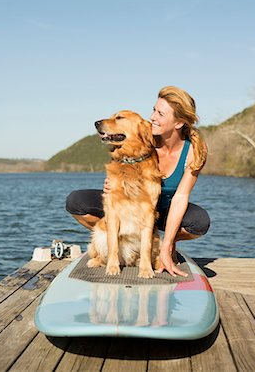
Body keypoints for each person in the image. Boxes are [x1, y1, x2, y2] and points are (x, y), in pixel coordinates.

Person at [66, 85, 210, 277]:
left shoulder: (194, 151)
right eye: (153, 110)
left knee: (199, 222)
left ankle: (160, 243)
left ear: (178, 123)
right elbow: (121, 154)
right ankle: (115, 244)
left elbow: (181, 197)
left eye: (160, 113)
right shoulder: (145, 139)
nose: (153, 117)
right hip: (130, 209)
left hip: (165, 211)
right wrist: (113, 182)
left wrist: (167, 245)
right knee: (76, 201)